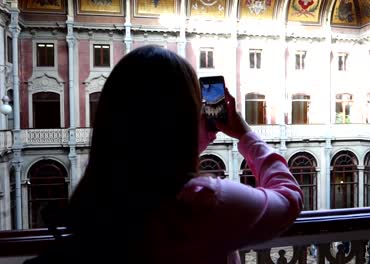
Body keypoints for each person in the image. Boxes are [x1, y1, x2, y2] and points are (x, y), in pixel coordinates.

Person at [26, 45, 303, 264]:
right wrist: (245, 135)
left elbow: (150, 160)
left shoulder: (102, 197)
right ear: (183, 118)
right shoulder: (203, 202)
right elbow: (289, 198)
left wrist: (195, 138)